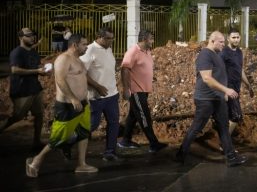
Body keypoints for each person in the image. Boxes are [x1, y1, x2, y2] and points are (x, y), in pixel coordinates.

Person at [25, 34, 98, 177]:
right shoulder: (63, 59)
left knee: (83, 133)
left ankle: (81, 164)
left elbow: (82, 78)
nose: (87, 46)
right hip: (68, 105)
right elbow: (60, 80)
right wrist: (73, 98)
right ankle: (35, 161)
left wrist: (88, 96)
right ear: (75, 45)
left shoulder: (79, 60)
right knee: (58, 138)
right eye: (84, 44)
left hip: (83, 103)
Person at [176, 31, 248, 167]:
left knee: (224, 127)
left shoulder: (216, 55)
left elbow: (220, 75)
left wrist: (223, 93)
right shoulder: (205, 54)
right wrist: (226, 89)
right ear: (212, 41)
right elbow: (207, 78)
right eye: (221, 42)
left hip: (218, 98)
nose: (223, 44)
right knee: (197, 127)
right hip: (205, 99)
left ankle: (231, 157)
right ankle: (181, 154)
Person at [0, 28, 50, 150]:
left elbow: (37, 66)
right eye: (29, 36)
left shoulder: (33, 52)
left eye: (33, 35)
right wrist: (36, 71)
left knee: (39, 115)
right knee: (17, 116)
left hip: (35, 88)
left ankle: (36, 142)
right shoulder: (17, 52)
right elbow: (14, 70)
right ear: (21, 38)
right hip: (22, 89)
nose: (32, 37)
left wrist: (43, 71)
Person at [118, 30, 167, 153]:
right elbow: (124, 69)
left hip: (144, 90)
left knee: (133, 116)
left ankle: (125, 140)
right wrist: (126, 89)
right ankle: (153, 143)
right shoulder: (133, 52)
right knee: (145, 116)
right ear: (144, 39)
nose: (153, 41)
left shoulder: (147, 51)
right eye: (151, 39)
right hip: (136, 90)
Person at [80, 26, 120, 161]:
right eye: (109, 38)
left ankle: (110, 152)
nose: (111, 41)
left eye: (112, 38)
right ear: (100, 37)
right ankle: (67, 143)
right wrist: (97, 86)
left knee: (114, 123)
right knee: (92, 125)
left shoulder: (108, 48)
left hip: (112, 95)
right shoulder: (90, 49)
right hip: (95, 97)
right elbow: (81, 73)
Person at [219, 28, 253, 137]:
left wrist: (248, 85)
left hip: (236, 88)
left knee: (230, 116)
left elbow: (240, 70)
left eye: (238, 37)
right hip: (228, 89)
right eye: (233, 37)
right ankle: (225, 143)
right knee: (236, 116)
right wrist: (224, 91)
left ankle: (224, 142)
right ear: (228, 38)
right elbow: (219, 72)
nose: (236, 40)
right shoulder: (224, 53)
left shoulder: (239, 52)